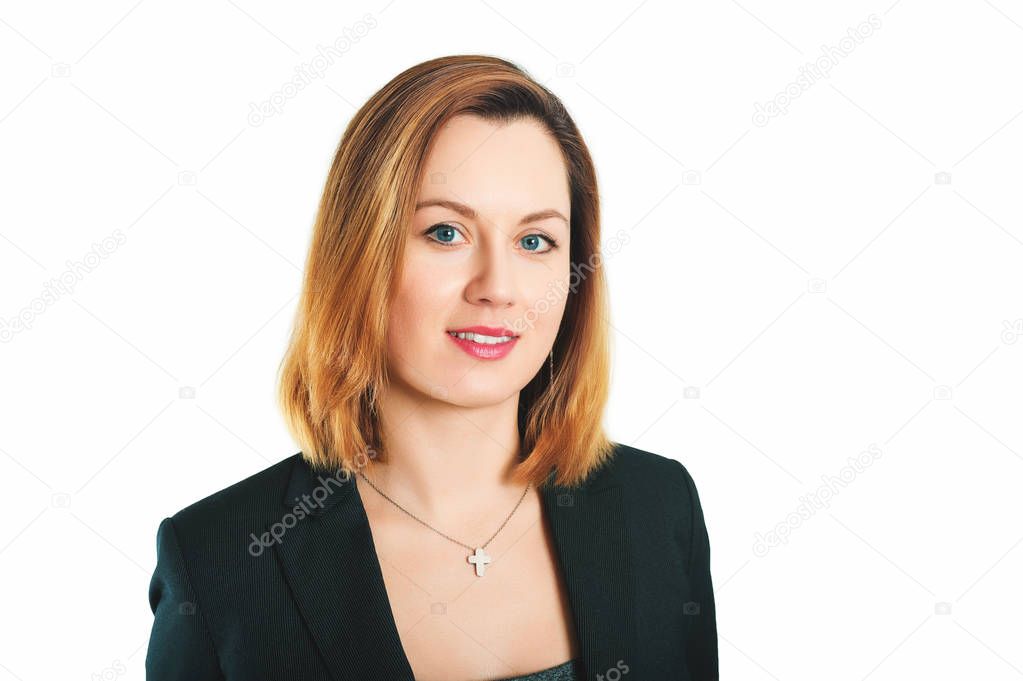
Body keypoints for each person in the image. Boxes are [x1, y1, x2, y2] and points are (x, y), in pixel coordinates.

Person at [145, 54, 718, 681]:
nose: (498, 288)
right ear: (360, 253)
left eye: (535, 241)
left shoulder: (659, 507)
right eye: (446, 233)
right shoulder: (219, 559)